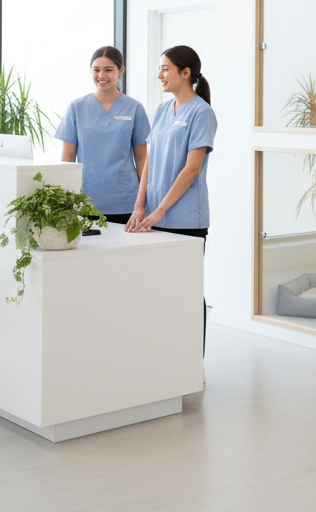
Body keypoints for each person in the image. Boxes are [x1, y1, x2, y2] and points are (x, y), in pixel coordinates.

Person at [127, 46, 216, 355]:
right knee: (158, 292)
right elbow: (149, 162)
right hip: (153, 216)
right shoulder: (163, 110)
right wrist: (141, 206)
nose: (159, 74)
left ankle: (192, 362)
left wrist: (161, 209)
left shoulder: (202, 112)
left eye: (165, 68)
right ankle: (165, 360)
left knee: (186, 293)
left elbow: (192, 169)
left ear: (185, 73)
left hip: (186, 220)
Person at [56, 47, 151, 228]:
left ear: (120, 71)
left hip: (126, 202)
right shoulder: (76, 107)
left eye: (108, 70)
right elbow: (67, 158)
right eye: (96, 70)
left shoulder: (134, 108)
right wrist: (64, 200)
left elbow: (142, 159)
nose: (102, 75)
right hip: (85, 201)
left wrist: (145, 201)